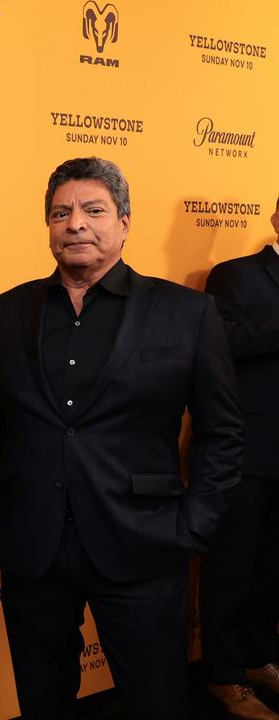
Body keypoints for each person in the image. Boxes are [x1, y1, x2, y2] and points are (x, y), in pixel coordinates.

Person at [0, 157, 244, 718]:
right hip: (34, 549)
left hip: (145, 544)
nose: (75, 223)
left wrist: (193, 527)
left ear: (124, 222)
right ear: (48, 225)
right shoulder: (1, 315)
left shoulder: (187, 314)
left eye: (93, 210)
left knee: (156, 702)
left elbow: (222, 433)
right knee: (42, 702)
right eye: (61, 212)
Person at [199, 196, 279, 719]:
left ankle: (257, 656)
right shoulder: (236, 275)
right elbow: (221, 341)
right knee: (232, 567)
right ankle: (223, 675)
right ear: (277, 218)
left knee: (273, 567)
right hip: (247, 450)